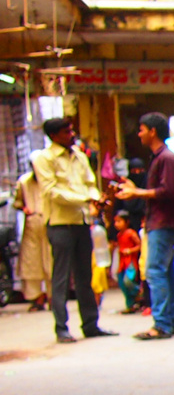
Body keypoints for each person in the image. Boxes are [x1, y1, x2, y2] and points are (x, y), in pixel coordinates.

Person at [31, 117, 115, 343]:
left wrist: (96, 199)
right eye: (66, 131)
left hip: (81, 221)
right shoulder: (44, 158)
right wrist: (85, 199)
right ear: (54, 135)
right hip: (59, 223)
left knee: (84, 276)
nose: (71, 134)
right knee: (60, 277)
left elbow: (90, 183)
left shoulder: (78, 155)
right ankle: (61, 327)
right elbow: (51, 192)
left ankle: (90, 324)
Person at [117, 113, 174, 340]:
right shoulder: (161, 157)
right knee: (165, 271)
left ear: (152, 131)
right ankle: (170, 321)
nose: (139, 134)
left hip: (163, 221)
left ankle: (162, 323)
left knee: (155, 271)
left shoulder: (166, 158)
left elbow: (168, 191)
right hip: (162, 221)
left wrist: (137, 192)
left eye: (141, 129)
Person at [14, 154, 50, 309]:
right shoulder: (23, 181)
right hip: (32, 222)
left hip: (49, 220)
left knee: (51, 260)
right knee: (31, 261)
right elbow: (17, 202)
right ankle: (36, 297)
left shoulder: (50, 180)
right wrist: (24, 208)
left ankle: (54, 296)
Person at [114, 211, 142, 313]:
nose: (116, 224)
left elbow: (140, 245)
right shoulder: (119, 235)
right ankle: (130, 305)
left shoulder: (131, 233)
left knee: (128, 281)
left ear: (126, 222)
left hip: (130, 261)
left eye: (119, 221)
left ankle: (139, 292)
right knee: (122, 283)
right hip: (122, 262)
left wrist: (130, 250)